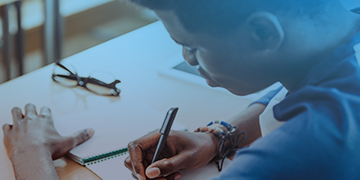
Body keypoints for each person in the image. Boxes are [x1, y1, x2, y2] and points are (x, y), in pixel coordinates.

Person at [2, 0, 360, 180]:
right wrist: (219, 136)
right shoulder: (343, 23)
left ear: (264, 34)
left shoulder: (300, 154)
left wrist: (30, 157)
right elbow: (293, 92)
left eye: (191, 45)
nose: (188, 59)